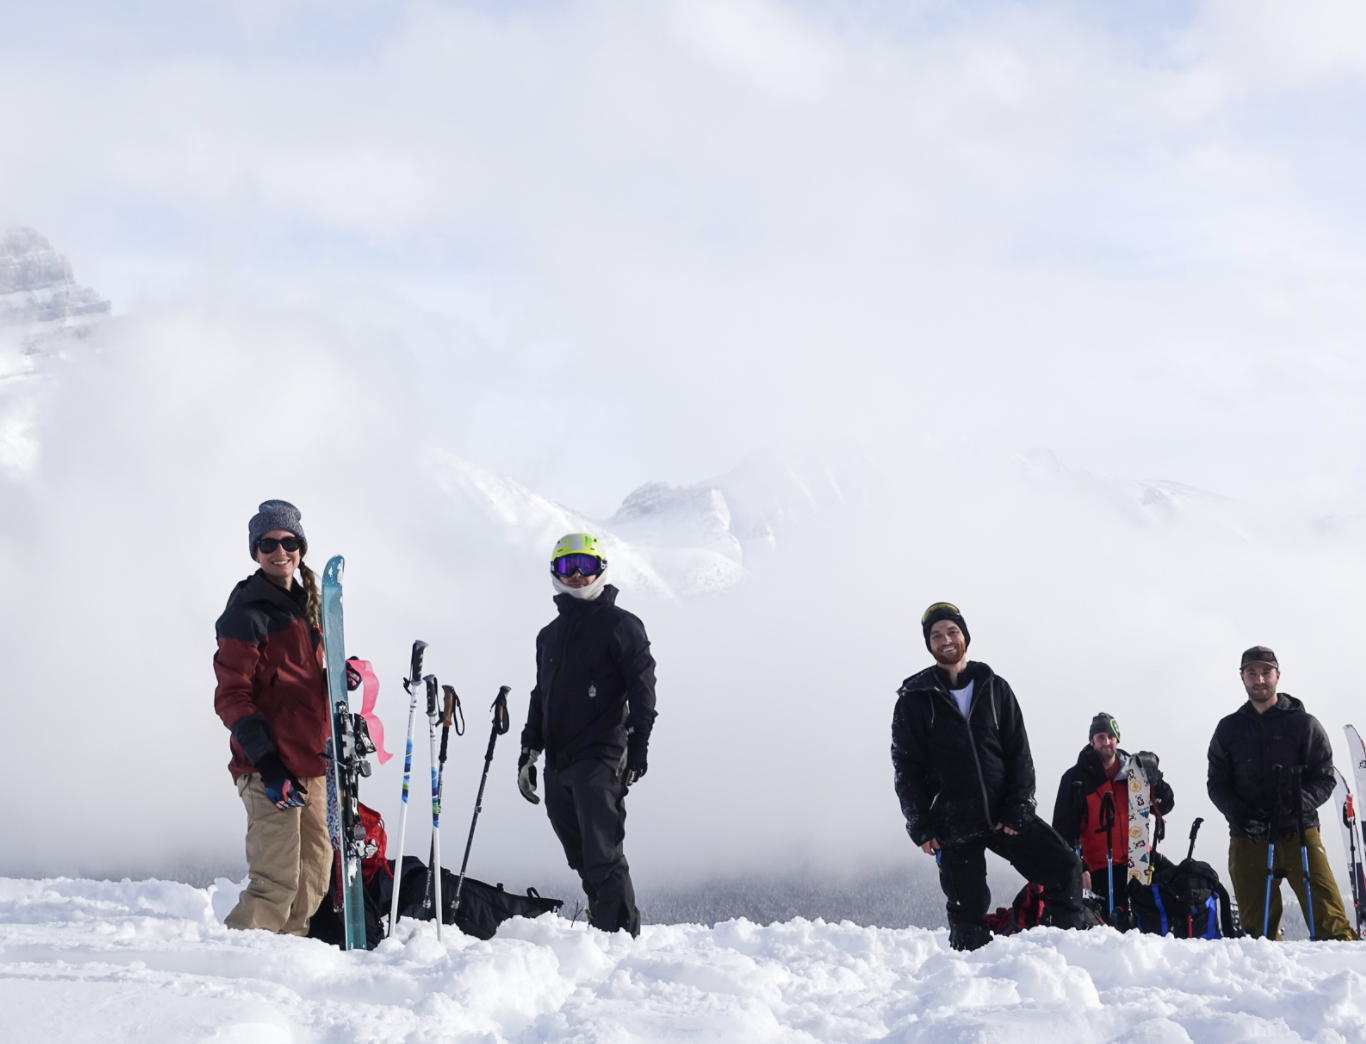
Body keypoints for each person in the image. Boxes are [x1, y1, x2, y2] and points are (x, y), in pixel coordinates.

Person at [892, 602, 1084, 951]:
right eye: (936, 635)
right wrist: (920, 824)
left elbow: (1018, 752)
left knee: (1065, 868)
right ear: (929, 644)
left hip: (1004, 815)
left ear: (965, 636)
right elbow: (906, 767)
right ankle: (973, 993)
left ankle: (1063, 954)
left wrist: (1019, 809)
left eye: (952, 632)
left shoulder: (994, 688)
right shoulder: (914, 699)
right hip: (953, 824)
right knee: (967, 918)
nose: (945, 640)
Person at [516, 533, 657, 936]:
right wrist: (529, 751)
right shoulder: (549, 635)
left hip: (601, 756)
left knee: (602, 854)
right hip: (559, 760)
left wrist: (638, 742)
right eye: (566, 566)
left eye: (585, 565)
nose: (577, 575)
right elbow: (541, 694)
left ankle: (618, 937)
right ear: (555, 573)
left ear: (600, 569)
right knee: (578, 853)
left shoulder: (621, 625)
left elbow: (643, 687)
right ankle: (602, 922)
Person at [214, 500, 332, 935]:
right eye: (267, 544)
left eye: (288, 542)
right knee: (275, 881)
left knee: (314, 875)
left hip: (309, 764)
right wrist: (268, 763)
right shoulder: (247, 613)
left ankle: (286, 958)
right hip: (269, 770)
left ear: (300, 547)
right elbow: (232, 696)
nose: (278, 551)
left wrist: (340, 676)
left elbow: (297, 683)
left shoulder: (304, 606)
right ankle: (238, 964)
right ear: (255, 551)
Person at [1207, 646, 1358, 941]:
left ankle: (1344, 979)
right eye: (1252, 673)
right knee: (1256, 934)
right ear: (1242, 678)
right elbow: (1217, 784)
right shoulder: (1229, 729)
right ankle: (1263, 984)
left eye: (1266, 672)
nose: (1259, 679)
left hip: (1299, 832)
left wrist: (1295, 803)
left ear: (1278, 675)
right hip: (1248, 836)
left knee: (1331, 924)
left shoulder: (1304, 724)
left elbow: (1325, 778)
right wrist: (1240, 814)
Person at [1051, 713, 1174, 916]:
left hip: (1141, 860)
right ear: (1092, 741)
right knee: (1113, 925)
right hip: (1099, 868)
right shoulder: (1075, 778)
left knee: (1185, 882)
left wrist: (1156, 781)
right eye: (1100, 737)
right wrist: (1078, 867)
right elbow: (1062, 828)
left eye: (1110, 736)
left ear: (1117, 739)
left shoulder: (1135, 772)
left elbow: (1165, 805)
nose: (1106, 742)